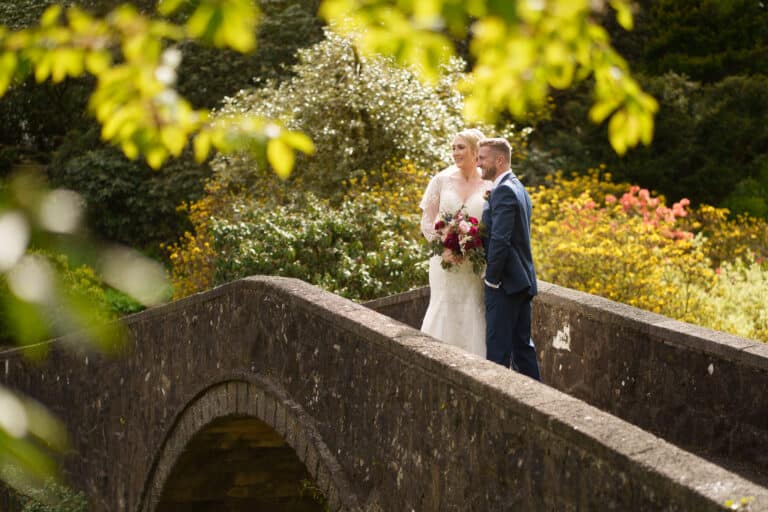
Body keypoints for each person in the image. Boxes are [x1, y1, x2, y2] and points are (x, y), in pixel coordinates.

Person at [419, 129, 492, 357]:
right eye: (453, 148)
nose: (455, 152)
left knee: (473, 310)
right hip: (445, 264)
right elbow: (427, 221)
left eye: (460, 147)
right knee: (443, 307)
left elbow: (493, 226)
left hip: (474, 266)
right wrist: (444, 249)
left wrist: (476, 246)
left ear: (475, 151)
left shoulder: (490, 183)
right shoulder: (441, 180)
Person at [477, 138, 541, 380]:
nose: (479, 163)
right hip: (523, 282)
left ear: (499, 160)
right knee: (523, 350)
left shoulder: (504, 190)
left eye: (482, 158)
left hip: (504, 285)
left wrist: (491, 279)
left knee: (498, 355)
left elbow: (500, 241)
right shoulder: (518, 187)